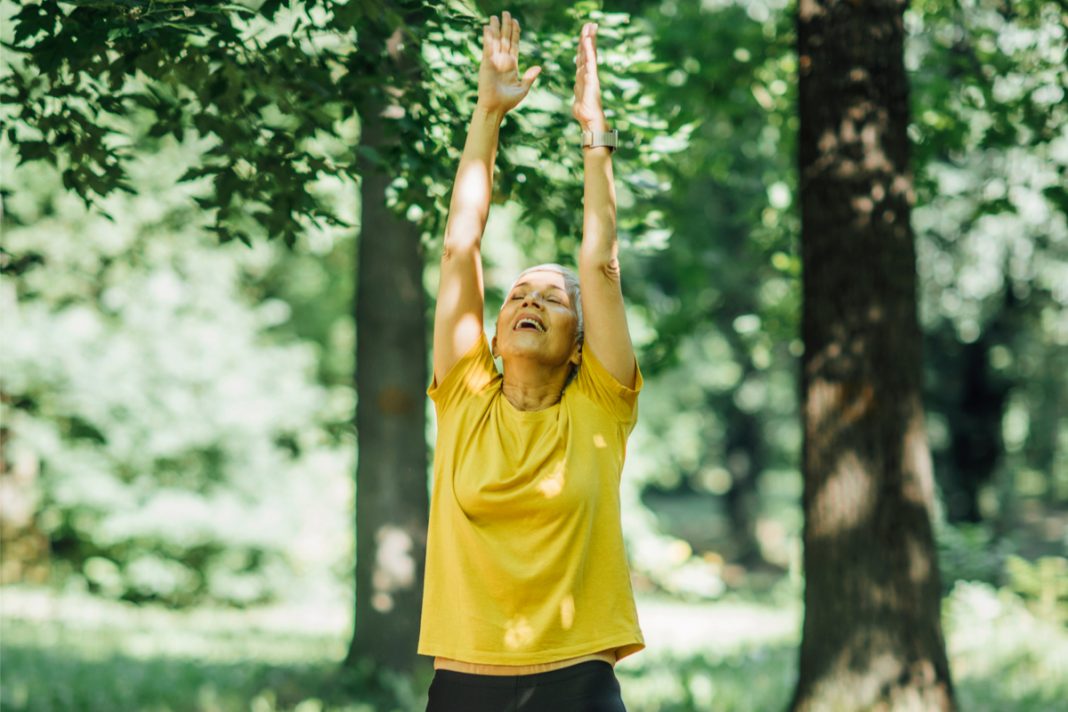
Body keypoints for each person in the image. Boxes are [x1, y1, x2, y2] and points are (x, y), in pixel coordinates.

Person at [420, 11, 642, 712]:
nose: (533, 299)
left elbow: (600, 263)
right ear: (492, 333)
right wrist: (488, 111)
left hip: (575, 681)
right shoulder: (465, 396)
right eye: (520, 293)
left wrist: (593, 133)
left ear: (582, 340)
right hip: (464, 684)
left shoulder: (601, 404)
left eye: (553, 297)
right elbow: (460, 246)